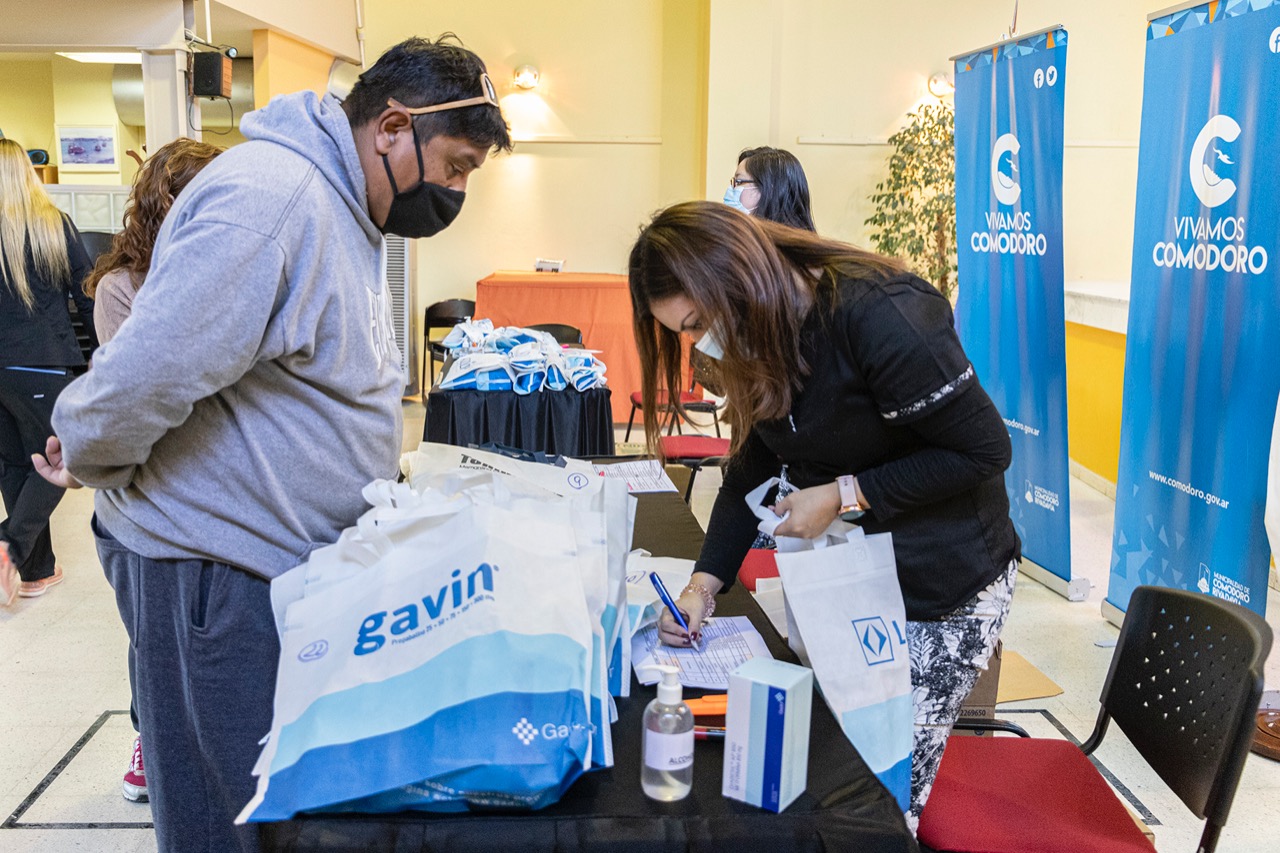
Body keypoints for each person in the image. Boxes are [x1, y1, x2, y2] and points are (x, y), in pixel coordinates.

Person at [36, 35, 511, 853]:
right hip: (215, 574)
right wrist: (87, 452)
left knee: (281, 810)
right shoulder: (274, 198)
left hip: (281, 571)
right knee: (227, 819)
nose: (457, 189)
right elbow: (149, 370)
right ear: (393, 127)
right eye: (458, 164)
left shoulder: (344, 204)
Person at [629, 201, 1019, 831]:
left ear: (743, 278)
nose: (700, 343)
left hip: (945, 579)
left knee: (882, 791)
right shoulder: (765, 335)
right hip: (861, 576)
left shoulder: (881, 313)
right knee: (832, 760)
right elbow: (747, 473)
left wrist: (844, 494)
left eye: (700, 322)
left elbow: (983, 450)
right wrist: (703, 586)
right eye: (684, 332)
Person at [81, 137, 222, 805]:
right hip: (145, 499)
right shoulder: (122, 289)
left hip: (220, 498)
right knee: (153, 639)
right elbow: (135, 395)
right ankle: (151, 735)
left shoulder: (232, 277)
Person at [0, 137, 97, 606]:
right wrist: (104, 354)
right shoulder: (51, 226)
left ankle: (36, 571)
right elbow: (86, 293)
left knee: (15, 464)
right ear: (27, 172)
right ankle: (11, 547)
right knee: (55, 462)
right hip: (42, 364)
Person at [722, 145, 815, 231]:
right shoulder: (745, 239)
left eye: (739, 182)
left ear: (770, 191)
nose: (730, 190)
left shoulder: (789, 247)